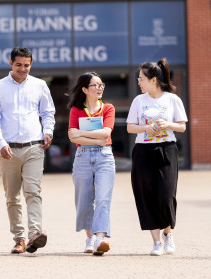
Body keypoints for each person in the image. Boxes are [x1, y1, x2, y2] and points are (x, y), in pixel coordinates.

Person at [0, 47, 55, 254]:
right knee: (12, 197)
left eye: (26, 65)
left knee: (33, 192)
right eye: (19, 65)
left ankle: (35, 234)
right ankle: (19, 238)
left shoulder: (40, 85)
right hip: (8, 150)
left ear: (31, 64)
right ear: (10, 63)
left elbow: (48, 112)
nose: (23, 69)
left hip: (34, 147)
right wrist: (1, 143)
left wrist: (48, 131)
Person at [126, 58, 187, 256]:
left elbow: (182, 126)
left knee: (166, 195)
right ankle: (156, 242)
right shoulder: (138, 100)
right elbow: (130, 127)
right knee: (146, 196)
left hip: (167, 150)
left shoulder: (172, 99)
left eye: (141, 79)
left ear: (153, 80)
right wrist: (146, 127)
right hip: (143, 150)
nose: (138, 82)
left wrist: (167, 125)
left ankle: (168, 234)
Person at [67, 72, 115, 255]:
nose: (100, 88)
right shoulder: (76, 110)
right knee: (84, 201)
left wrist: (81, 134)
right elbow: (72, 136)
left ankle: (101, 238)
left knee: (103, 199)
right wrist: (93, 136)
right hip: (82, 158)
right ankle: (90, 238)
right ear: (85, 89)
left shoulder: (108, 108)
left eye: (102, 85)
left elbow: (105, 136)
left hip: (104, 158)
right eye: (96, 85)